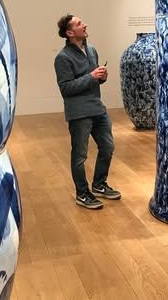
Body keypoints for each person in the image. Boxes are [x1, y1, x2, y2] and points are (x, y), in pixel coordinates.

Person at [54, 14, 121, 210]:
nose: (85, 25)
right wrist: (91, 76)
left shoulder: (92, 50)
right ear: (69, 32)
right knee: (80, 156)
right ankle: (82, 193)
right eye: (79, 24)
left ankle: (99, 184)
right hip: (79, 114)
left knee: (107, 147)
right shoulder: (62, 58)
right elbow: (65, 88)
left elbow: (94, 81)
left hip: (98, 109)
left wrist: (101, 77)